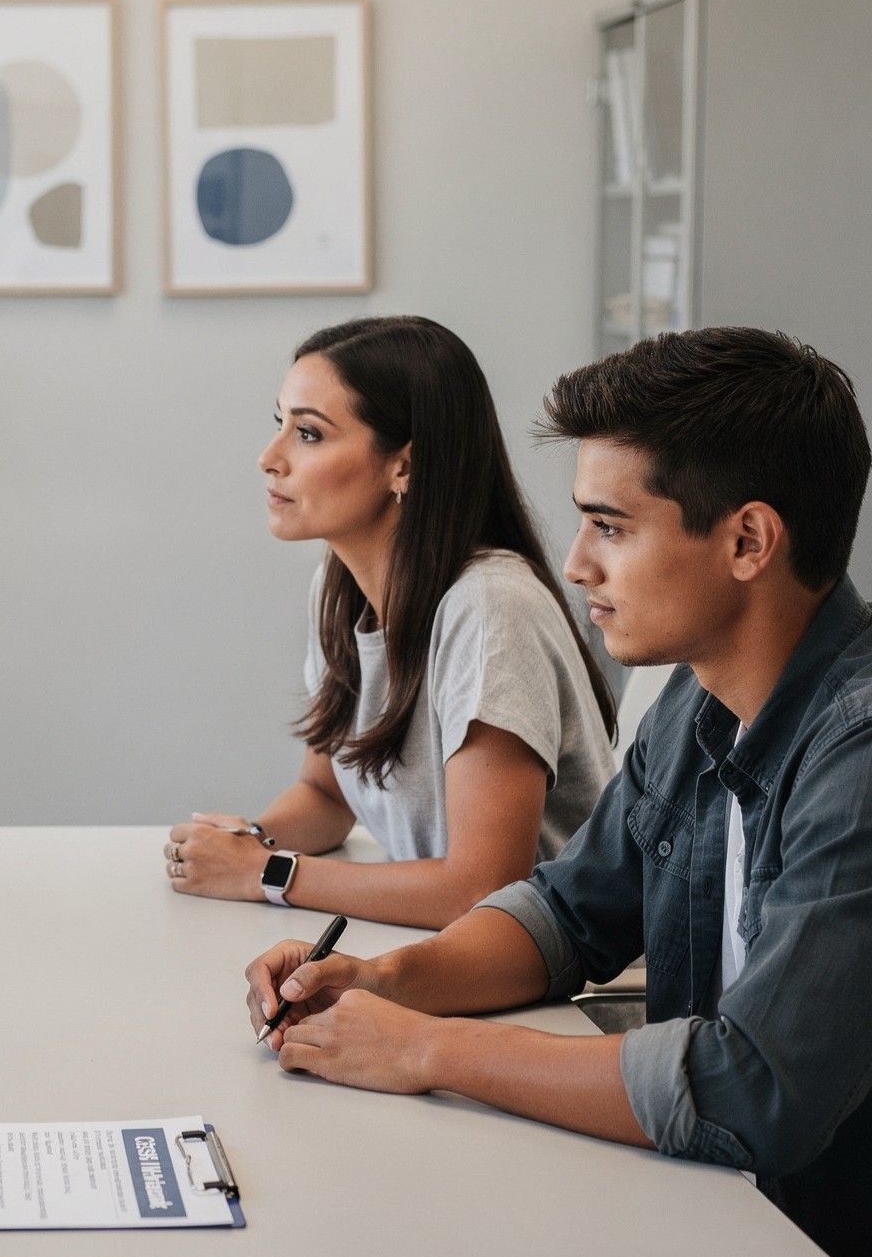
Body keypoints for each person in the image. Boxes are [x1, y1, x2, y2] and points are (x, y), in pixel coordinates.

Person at [243, 328, 872, 1257]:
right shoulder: (701, 696)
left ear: (748, 541)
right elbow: (568, 911)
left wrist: (425, 1050)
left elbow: (752, 1088)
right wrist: (386, 982)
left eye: (610, 527)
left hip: (853, 1255)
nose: (575, 565)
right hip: (726, 1215)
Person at [165, 317, 615, 928]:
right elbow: (326, 798)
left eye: (309, 434)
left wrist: (265, 874)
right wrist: (251, 840)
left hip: (560, 976)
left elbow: (482, 889)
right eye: (281, 425)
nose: (270, 458)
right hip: (452, 955)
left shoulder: (490, 607)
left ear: (404, 466)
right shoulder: (342, 587)